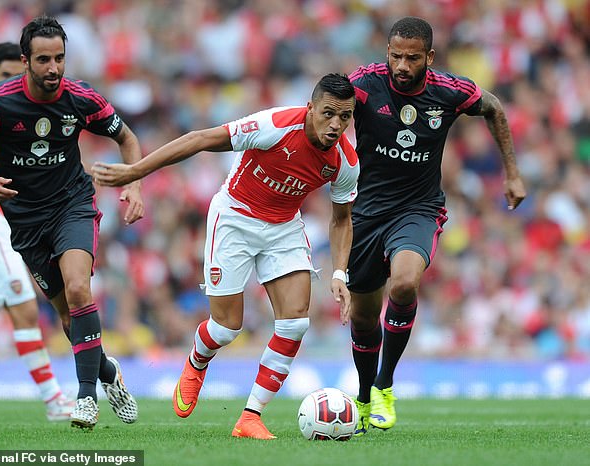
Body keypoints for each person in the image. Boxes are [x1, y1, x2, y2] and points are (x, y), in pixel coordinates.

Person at [92, 73, 359, 439]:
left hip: (283, 227)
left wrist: (340, 273)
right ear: (310, 107)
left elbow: (342, 219)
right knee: (227, 327)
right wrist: (138, 170)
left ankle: (250, 417)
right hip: (235, 217)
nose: (336, 124)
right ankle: (197, 360)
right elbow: (200, 139)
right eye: (328, 113)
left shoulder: (345, 160)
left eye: (345, 117)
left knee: (296, 323)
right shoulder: (274, 126)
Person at [0, 16, 144, 430]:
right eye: (43, 59)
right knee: (67, 319)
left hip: (72, 205)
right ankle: (108, 373)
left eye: (59, 58)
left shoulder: (79, 97)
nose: (54, 68)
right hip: (25, 221)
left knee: (79, 288)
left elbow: (126, 137)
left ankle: (85, 400)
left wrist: (133, 184)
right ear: (26, 61)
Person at [347, 16, 526, 434]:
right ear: (386, 53)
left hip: (418, 208)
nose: (402, 66)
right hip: (365, 213)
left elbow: (494, 107)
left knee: (405, 283)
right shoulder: (363, 83)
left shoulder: (449, 91)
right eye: (395, 56)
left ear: (429, 56)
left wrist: (512, 173)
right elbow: (323, 110)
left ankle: (385, 385)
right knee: (362, 319)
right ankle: (362, 396)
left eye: (412, 58)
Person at [0, 42, 74, 422]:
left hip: (16, 225)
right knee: (23, 305)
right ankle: (56, 401)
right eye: (5, 76)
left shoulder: (37, 114)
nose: (13, 83)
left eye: (16, 75)